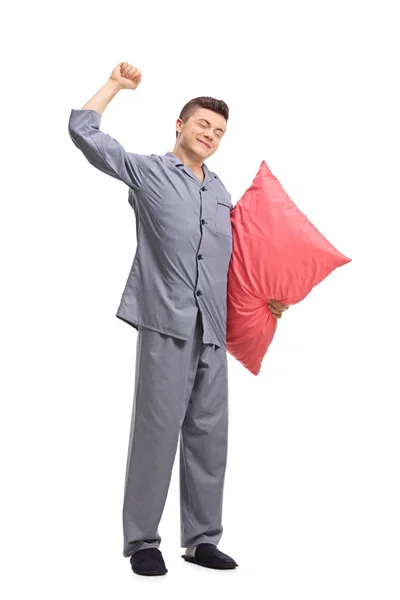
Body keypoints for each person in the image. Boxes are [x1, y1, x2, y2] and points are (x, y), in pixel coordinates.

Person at [68, 61, 289, 576]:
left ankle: (202, 539)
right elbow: (83, 131)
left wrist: (267, 301)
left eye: (218, 131)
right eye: (202, 126)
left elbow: (235, 264)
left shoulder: (221, 192)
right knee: (156, 430)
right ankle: (143, 541)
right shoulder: (147, 172)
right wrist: (116, 86)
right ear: (180, 125)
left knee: (210, 434)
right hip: (165, 322)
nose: (210, 136)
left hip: (213, 330)